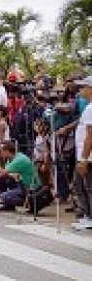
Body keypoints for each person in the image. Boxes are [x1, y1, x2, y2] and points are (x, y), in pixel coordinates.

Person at [0, 139, 39, 212]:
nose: (0, 153)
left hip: (30, 188)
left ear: (7, 151)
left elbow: (2, 172)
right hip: (21, 183)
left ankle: (28, 202)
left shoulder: (19, 159)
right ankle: (9, 205)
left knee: (4, 196)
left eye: (1, 151)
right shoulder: (10, 159)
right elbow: (2, 174)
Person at [70, 75, 92, 230]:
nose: (80, 89)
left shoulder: (91, 109)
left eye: (83, 87)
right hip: (83, 155)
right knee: (79, 184)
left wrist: (84, 158)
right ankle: (87, 214)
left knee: (88, 187)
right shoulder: (88, 107)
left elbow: (90, 136)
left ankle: (90, 217)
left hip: (88, 156)